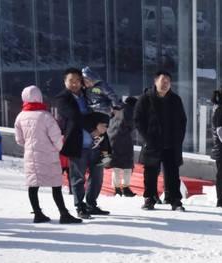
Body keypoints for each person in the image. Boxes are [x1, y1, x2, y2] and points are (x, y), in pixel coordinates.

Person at [14, 85, 80, 225]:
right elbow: (56, 138)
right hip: (49, 155)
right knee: (56, 185)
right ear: (39, 97)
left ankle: (37, 213)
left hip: (31, 156)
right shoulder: (46, 116)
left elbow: (19, 140)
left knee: (33, 185)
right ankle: (64, 214)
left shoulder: (20, 116)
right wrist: (59, 149)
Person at [55, 67, 107, 219]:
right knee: (78, 177)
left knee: (97, 176)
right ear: (65, 81)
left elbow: (101, 108)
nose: (75, 84)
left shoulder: (88, 93)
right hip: (78, 144)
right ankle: (80, 206)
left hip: (97, 143)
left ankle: (92, 204)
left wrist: (104, 124)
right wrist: (93, 128)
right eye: (71, 81)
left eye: (78, 80)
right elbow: (75, 116)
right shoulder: (62, 98)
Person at [135, 70, 187, 211]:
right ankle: (150, 199)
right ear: (155, 81)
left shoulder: (175, 99)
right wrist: (147, 137)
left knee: (172, 173)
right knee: (150, 172)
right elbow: (138, 120)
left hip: (171, 144)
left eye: (167, 82)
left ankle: (174, 200)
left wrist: (179, 139)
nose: (165, 84)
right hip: (152, 143)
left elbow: (183, 121)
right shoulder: (145, 98)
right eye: (162, 81)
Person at [108, 96, 138, 197]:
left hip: (112, 138)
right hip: (123, 139)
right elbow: (131, 124)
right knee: (127, 165)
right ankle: (125, 188)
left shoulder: (118, 108)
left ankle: (117, 189)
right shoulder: (130, 109)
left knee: (116, 165)